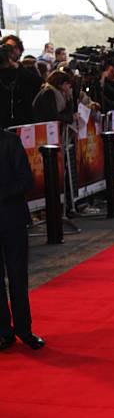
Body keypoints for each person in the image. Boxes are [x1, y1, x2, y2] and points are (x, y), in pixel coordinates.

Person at [0, 129, 45, 350]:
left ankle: (24, 330)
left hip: (12, 219)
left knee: (18, 276)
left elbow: (26, 181)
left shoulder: (10, 141)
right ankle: (3, 332)